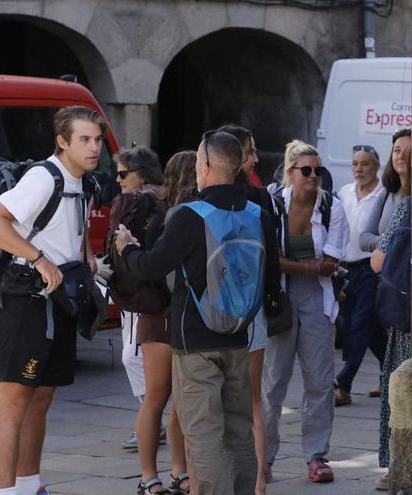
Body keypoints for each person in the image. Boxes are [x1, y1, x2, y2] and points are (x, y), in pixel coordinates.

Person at [115, 130, 281, 495]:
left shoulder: (190, 215)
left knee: (203, 432)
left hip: (194, 340)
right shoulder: (257, 213)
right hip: (239, 334)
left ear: (204, 166)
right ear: (239, 166)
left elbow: (150, 267)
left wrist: (126, 247)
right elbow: (273, 277)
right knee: (239, 429)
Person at [0, 105, 105, 495]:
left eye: (98, 140)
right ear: (62, 142)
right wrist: (38, 258)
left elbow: (67, 228)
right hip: (26, 296)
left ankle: (30, 484)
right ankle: (5, 492)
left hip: (61, 297)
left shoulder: (85, 182)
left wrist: (85, 254)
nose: (94, 148)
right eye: (84, 140)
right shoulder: (43, 177)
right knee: (13, 401)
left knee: (41, 398)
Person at [262, 140, 348, 483]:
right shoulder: (272, 205)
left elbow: (330, 264)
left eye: (318, 170)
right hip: (280, 298)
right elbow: (269, 259)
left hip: (318, 299)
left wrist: (294, 265)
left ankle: (316, 455)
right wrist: (308, 266)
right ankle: (264, 456)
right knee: (272, 383)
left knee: (320, 382)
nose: (314, 176)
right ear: (290, 173)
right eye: (306, 170)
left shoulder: (332, 208)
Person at [114, 148, 194, 495]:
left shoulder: (174, 213)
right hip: (161, 312)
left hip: (167, 313)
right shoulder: (165, 215)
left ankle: (173, 472)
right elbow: (154, 266)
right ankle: (151, 476)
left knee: (174, 398)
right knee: (160, 397)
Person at [218, 124, 272, 493]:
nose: (254, 159)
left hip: (214, 312)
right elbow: (273, 258)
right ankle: (255, 485)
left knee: (218, 400)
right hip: (251, 309)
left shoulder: (198, 200)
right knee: (251, 399)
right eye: (250, 153)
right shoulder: (259, 200)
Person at [110, 147, 166, 454]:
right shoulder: (161, 199)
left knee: (131, 356)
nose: (117, 180)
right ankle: (152, 419)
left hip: (140, 289)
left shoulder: (137, 201)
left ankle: (152, 421)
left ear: (140, 173)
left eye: (122, 174)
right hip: (149, 288)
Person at [370, 134, 412, 491]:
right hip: (408, 305)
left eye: (407, 151)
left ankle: (397, 464)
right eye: (396, 150)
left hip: (405, 310)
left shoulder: (406, 203)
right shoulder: (395, 195)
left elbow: (376, 258)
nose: (400, 156)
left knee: (396, 386)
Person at [333, 145, 387, 407]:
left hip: (370, 269)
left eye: (365, 164)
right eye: (355, 164)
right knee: (371, 330)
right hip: (346, 267)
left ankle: (343, 383)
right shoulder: (344, 192)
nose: (359, 169)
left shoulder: (383, 194)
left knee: (358, 324)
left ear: (376, 166)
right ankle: (390, 370)